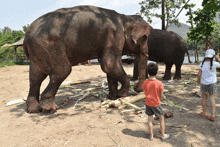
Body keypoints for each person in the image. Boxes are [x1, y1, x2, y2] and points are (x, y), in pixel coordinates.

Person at [142, 63, 170, 141]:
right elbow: (161, 95)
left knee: (150, 120)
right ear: (157, 72)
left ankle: (151, 136)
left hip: (148, 103)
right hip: (156, 103)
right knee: (161, 118)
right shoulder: (159, 83)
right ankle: (163, 135)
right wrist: (159, 99)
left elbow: (145, 92)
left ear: (148, 72)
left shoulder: (145, 82)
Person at [197, 49, 220, 122]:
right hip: (212, 83)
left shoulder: (202, 63)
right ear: (213, 56)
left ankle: (204, 113)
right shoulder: (215, 63)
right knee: (212, 97)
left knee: (204, 98)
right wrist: (218, 58)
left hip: (203, 83)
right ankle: (213, 115)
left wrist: (198, 81)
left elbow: (199, 74)